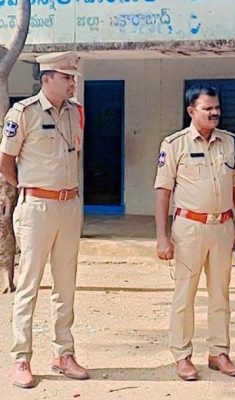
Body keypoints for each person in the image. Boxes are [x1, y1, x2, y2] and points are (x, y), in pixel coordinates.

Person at [0, 51, 89, 388]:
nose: (72, 83)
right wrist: (28, 187)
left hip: (69, 206)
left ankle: (63, 354)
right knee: (29, 285)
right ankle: (21, 358)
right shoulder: (23, 113)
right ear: (47, 78)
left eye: (73, 78)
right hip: (36, 207)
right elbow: (5, 162)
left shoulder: (75, 113)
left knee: (65, 285)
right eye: (67, 77)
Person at [154, 85, 235, 381]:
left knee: (220, 293)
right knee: (185, 295)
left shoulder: (231, 142)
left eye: (217, 107)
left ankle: (219, 352)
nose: (215, 112)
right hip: (189, 229)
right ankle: (182, 355)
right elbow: (163, 191)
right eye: (208, 108)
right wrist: (162, 236)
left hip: (223, 227)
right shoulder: (174, 144)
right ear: (191, 111)